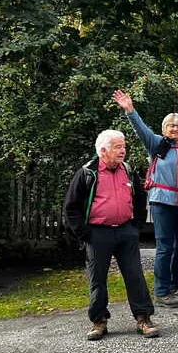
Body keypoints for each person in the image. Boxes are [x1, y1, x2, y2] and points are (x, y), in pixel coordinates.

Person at [113, 88, 178, 308]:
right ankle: (162, 291)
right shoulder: (157, 144)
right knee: (166, 246)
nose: (175, 128)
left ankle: (175, 285)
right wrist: (130, 110)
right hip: (163, 201)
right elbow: (140, 129)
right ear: (164, 129)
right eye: (171, 126)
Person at [64, 129, 159, 340]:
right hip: (98, 233)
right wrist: (84, 234)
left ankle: (143, 318)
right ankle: (99, 322)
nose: (123, 150)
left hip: (126, 231)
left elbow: (139, 198)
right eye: (118, 147)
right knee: (97, 278)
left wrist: (136, 227)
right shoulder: (87, 173)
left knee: (135, 275)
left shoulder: (127, 169)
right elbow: (71, 207)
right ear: (104, 150)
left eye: (124, 146)